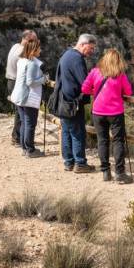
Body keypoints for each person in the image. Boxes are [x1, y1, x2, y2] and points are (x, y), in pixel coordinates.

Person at [81, 49, 133, 184]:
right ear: (118, 61)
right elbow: (128, 91)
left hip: (98, 112)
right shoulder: (120, 75)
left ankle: (105, 171)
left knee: (102, 141)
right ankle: (120, 173)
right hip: (115, 113)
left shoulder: (95, 72)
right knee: (118, 141)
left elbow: (84, 89)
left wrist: (96, 91)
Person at [57, 33, 97, 173]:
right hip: (74, 102)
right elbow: (84, 82)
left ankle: (69, 162)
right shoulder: (77, 59)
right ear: (82, 44)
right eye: (90, 48)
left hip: (64, 101)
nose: (92, 51)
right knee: (77, 133)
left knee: (67, 132)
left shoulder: (66, 55)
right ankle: (80, 163)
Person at [10, 37, 47, 158]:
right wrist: (43, 79)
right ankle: (30, 150)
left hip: (18, 96)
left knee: (24, 123)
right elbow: (30, 82)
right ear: (33, 50)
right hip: (28, 98)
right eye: (38, 48)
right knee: (30, 123)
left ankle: (25, 148)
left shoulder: (21, 61)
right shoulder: (31, 64)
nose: (40, 50)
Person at [5, 30, 37, 145]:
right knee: (21, 113)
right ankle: (19, 138)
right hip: (16, 82)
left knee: (18, 111)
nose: (36, 43)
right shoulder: (23, 52)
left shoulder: (15, 46)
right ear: (28, 39)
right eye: (33, 40)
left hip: (10, 80)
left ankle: (17, 136)